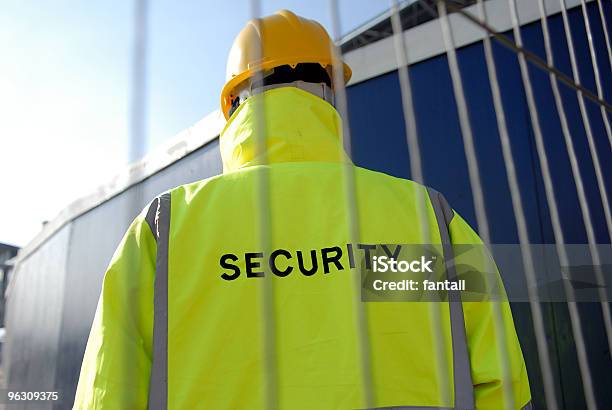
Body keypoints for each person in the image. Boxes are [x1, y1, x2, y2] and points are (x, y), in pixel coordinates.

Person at [74, 10, 531, 409]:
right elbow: (502, 385)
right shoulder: (428, 218)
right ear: (331, 94)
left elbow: (105, 394)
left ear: (233, 106)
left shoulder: (163, 230)